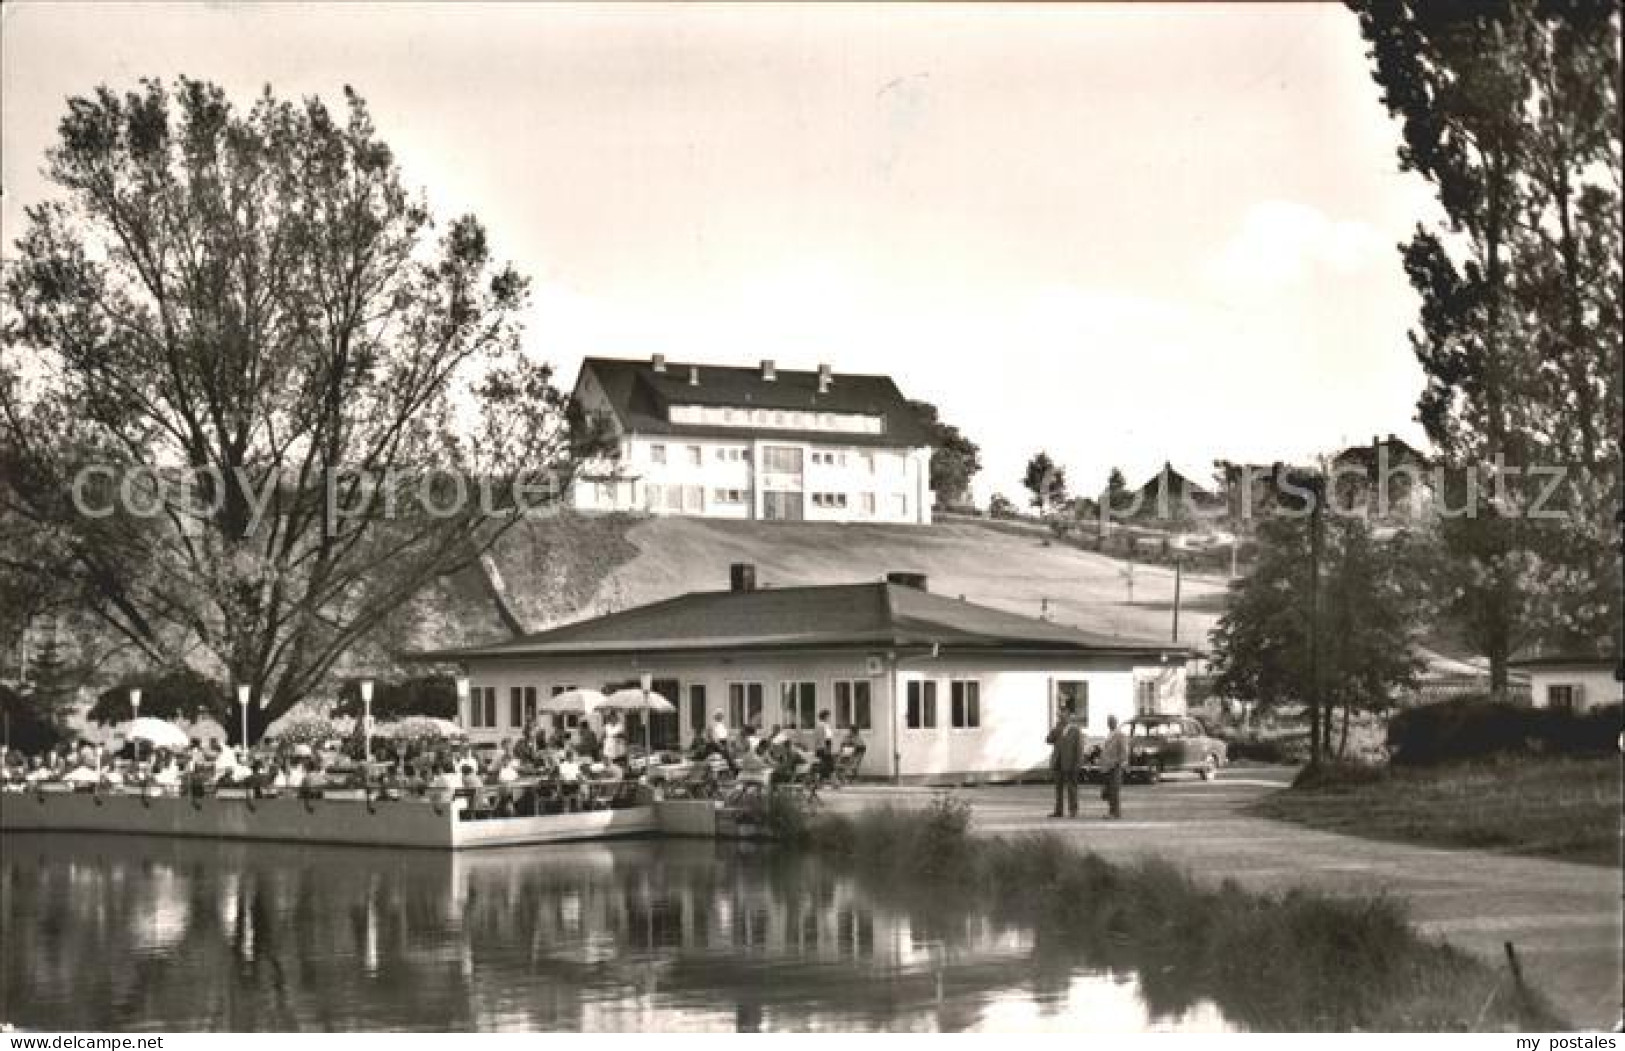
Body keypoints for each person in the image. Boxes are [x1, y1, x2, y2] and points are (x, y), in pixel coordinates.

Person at [1046, 702, 1084, 818]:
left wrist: (1078, 764)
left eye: (1063, 715)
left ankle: (1073, 810)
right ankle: (1058, 811)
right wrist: (1055, 730)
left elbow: (1079, 749)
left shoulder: (1075, 730)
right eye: (1060, 715)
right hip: (1058, 763)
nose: (1061, 717)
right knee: (1058, 789)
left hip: (1070, 764)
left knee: (1072, 788)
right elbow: (1048, 740)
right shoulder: (1057, 729)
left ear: (1068, 716)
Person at [1099, 714, 1129, 820]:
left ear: (1116, 722)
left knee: (1114, 790)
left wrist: (1117, 763)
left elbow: (1124, 752)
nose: (1110, 723)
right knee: (1109, 791)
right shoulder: (1109, 735)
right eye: (1108, 721)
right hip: (1106, 767)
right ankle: (1112, 811)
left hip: (1115, 767)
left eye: (1112, 721)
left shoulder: (1120, 735)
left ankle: (1115, 813)